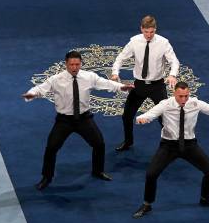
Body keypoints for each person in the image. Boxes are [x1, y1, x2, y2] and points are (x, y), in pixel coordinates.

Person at [22, 50, 133, 190]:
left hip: (84, 119)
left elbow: (106, 83)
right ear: (66, 64)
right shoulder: (56, 79)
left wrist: (122, 87)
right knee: (51, 148)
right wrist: (31, 94)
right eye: (71, 64)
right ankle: (46, 177)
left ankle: (98, 171)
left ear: (81, 64)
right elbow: (40, 88)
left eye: (77, 64)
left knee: (99, 143)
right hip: (64, 121)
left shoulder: (89, 76)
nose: (74, 67)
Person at [132, 82, 209, 219]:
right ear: (174, 93)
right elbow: (150, 114)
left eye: (186, 96)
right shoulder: (165, 104)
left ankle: (205, 198)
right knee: (151, 174)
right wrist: (142, 119)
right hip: (168, 146)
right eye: (180, 96)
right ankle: (147, 204)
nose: (184, 100)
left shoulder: (195, 103)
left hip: (190, 145)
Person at [111, 16, 179, 152]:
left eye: (152, 32)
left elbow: (174, 61)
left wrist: (172, 75)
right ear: (141, 29)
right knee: (127, 115)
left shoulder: (163, 42)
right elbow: (120, 58)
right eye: (146, 32)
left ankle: (172, 144)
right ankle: (128, 142)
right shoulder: (134, 41)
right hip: (139, 85)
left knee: (165, 117)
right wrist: (115, 72)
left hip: (157, 86)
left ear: (155, 29)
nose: (149, 35)